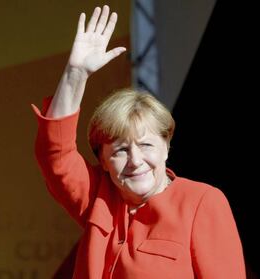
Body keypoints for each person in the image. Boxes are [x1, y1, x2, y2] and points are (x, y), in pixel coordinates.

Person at [32, 5, 246, 279]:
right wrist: (76, 75)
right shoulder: (99, 197)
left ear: (166, 147)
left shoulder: (201, 202)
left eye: (146, 145)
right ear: (104, 161)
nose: (135, 160)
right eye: (121, 149)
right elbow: (55, 155)